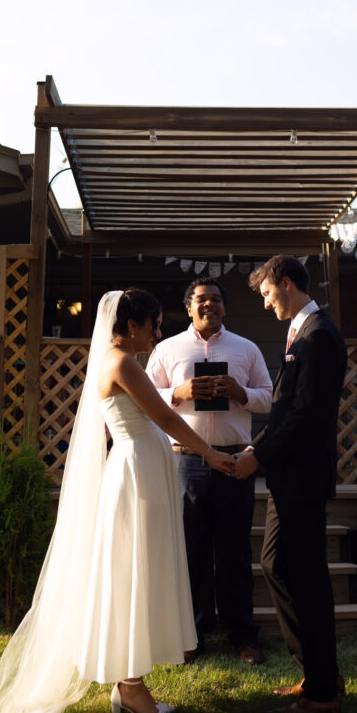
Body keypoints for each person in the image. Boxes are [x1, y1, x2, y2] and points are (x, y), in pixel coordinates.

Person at [0, 289, 234, 713]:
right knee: (135, 573)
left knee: (141, 573)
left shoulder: (122, 358)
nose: (155, 335)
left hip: (144, 471)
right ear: (130, 325)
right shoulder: (123, 363)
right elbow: (167, 418)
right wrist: (213, 456)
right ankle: (130, 690)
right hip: (136, 477)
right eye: (152, 326)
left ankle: (132, 685)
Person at [234, 256, 348, 713]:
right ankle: (318, 671)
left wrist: (256, 456)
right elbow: (285, 413)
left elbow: (305, 416)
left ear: (285, 283)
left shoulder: (318, 335)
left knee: (304, 575)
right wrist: (253, 450)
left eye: (266, 293)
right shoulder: (303, 332)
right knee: (277, 563)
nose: (265, 303)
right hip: (288, 473)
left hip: (301, 475)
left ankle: (322, 693)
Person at [146, 278, 272, 665]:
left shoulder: (246, 349)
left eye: (216, 300)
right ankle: (193, 633)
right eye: (202, 300)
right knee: (192, 551)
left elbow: (269, 398)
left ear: (224, 308)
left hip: (235, 461)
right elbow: (145, 399)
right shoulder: (167, 349)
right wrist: (179, 393)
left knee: (234, 551)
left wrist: (240, 393)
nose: (209, 305)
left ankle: (243, 635)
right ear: (189, 308)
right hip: (185, 461)